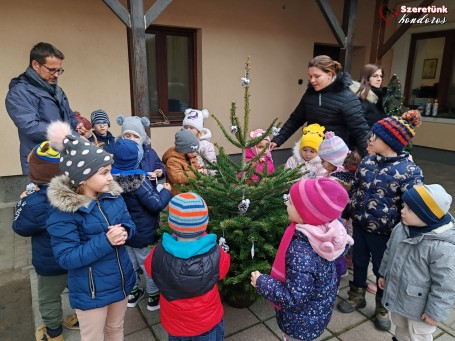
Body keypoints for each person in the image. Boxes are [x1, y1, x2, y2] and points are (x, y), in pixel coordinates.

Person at [45, 121, 136, 341]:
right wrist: (106, 241)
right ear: (83, 178)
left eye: (110, 171)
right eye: (104, 172)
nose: (110, 177)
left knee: (115, 329)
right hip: (91, 291)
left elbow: (129, 223)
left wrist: (125, 231)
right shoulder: (64, 213)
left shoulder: (112, 196)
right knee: (93, 337)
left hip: (121, 281)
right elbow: (66, 257)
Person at [337, 110, 424, 331]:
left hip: (385, 233)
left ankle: (383, 307)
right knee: (358, 261)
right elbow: (356, 190)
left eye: (375, 136)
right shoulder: (366, 162)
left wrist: (410, 232)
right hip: (359, 225)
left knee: (382, 269)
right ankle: (357, 295)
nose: (370, 139)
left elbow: (413, 205)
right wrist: (347, 212)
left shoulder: (409, 171)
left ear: (390, 141)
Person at [250, 178, 353, 341]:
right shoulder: (329, 234)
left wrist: (262, 282)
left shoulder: (302, 250)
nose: (286, 204)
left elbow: (294, 298)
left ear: (305, 215)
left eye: (290, 203)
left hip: (300, 323)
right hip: (314, 315)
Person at [12, 141, 78, 341]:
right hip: (75, 257)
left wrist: (22, 201)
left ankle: (54, 333)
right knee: (77, 290)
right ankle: (79, 319)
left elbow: (20, 227)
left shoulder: (33, 202)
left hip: (49, 263)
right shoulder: (77, 194)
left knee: (48, 299)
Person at [144, 192, 230, 340]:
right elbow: (222, 272)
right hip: (206, 322)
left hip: (175, 323)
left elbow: (150, 270)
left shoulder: (157, 252)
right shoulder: (217, 252)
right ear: (205, 223)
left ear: (171, 223)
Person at [378, 184, 455, 341]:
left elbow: (446, 285)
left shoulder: (442, 247)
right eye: (404, 206)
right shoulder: (401, 228)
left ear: (427, 215)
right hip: (399, 296)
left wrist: (435, 313)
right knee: (400, 327)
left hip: (420, 308)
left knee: (418, 334)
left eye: (409, 209)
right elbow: (389, 251)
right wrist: (383, 274)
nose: (402, 211)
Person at [111, 139, 173, 312]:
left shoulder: (109, 178)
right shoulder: (139, 180)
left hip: (123, 231)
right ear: (138, 159)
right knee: (148, 264)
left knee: (129, 263)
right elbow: (155, 204)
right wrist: (166, 191)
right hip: (143, 232)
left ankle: (133, 291)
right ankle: (153, 296)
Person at [5, 42, 85, 175]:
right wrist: (71, 136)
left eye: (59, 70)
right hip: (41, 162)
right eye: (52, 70)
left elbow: (68, 114)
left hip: (65, 157)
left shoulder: (56, 89)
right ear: (35, 65)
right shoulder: (18, 92)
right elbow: (31, 126)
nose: (56, 75)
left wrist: (77, 124)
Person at [270, 55, 369, 156]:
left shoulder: (347, 97)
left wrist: (368, 158)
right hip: (310, 153)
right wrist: (278, 140)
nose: (312, 80)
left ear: (329, 74)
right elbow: (295, 119)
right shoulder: (310, 94)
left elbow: (360, 130)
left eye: (317, 76)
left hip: (334, 157)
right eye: (310, 76)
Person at [117, 115, 166, 182]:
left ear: (142, 138)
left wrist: (160, 171)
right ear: (122, 137)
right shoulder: (118, 155)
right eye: (127, 136)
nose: (132, 139)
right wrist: (144, 176)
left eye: (136, 136)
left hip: (152, 190)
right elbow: (121, 179)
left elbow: (159, 165)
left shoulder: (150, 152)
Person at [162, 129, 205, 195]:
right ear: (183, 150)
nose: (194, 153)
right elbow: (178, 178)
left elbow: (196, 167)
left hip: (192, 191)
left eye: (195, 151)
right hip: (179, 194)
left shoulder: (191, 157)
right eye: (191, 151)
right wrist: (196, 173)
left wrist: (201, 170)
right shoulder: (172, 161)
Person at [350, 64, 387, 128]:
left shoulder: (380, 95)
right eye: (375, 76)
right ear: (367, 78)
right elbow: (358, 123)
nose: (379, 79)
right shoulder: (361, 96)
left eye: (381, 76)